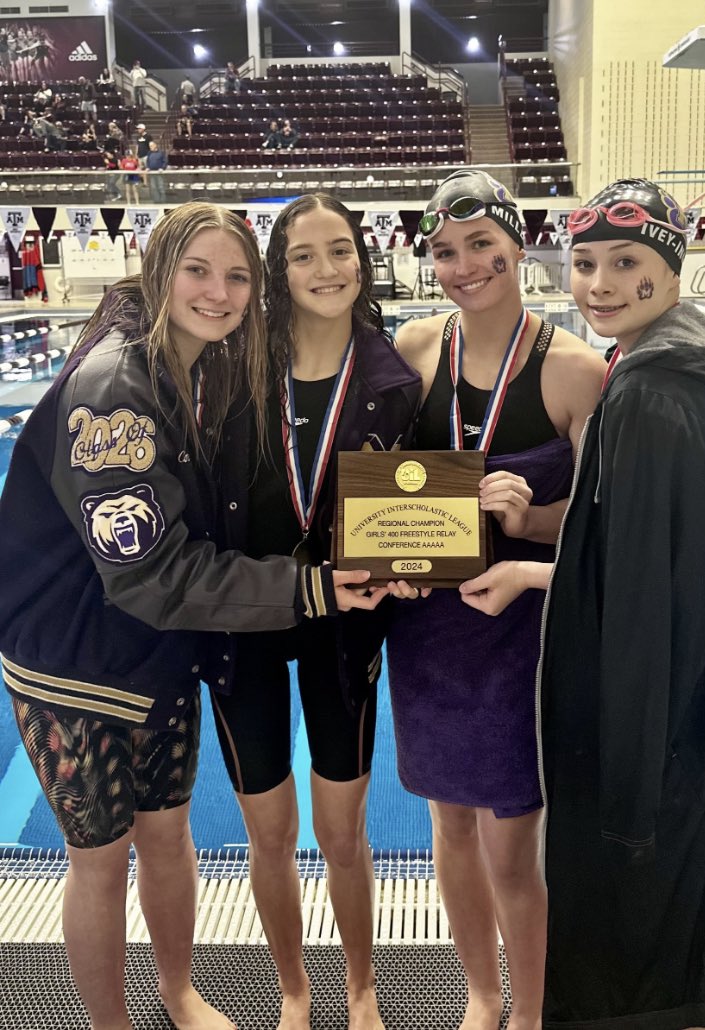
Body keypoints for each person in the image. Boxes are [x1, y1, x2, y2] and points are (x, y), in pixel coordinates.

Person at [0, 202, 385, 1030]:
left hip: (159, 651)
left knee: (169, 838)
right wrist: (312, 587)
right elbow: (156, 575)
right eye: (199, 271)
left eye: (237, 275)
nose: (219, 292)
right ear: (160, 268)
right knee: (100, 862)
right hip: (72, 660)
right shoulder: (113, 393)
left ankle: (177, 992)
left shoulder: (200, 364)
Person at [459, 178, 705, 1030]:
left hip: (654, 730)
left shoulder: (650, 395)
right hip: (695, 706)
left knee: (638, 949)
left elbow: (643, 600)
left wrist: (629, 800)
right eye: (582, 264)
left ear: (673, 272)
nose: (599, 284)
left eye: (626, 262)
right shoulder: (678, 375)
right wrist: (539, 567)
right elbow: (649, 561)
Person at [385, 169, 606, 1030]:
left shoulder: (574, 372)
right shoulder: (412, 350)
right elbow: (381, 491)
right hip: (429, 632)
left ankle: (532, 1012)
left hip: (518, 636)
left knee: (512, 851)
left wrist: (534, 514)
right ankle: (482, 995)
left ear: (519, 248)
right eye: (444, 251)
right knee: (448, 832)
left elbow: (601, 535)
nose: (463, 265)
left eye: (482, 246)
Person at [209, 193, 420, 1030]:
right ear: (279, 269)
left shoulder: (395, 382)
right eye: (303, 255)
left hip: (346, 631)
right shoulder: (231, 369)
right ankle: (295, 989)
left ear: (362, 261)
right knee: (267, 834)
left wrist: (423, 556)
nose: (325, 270)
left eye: (340, 251)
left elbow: (420, 507)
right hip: (245, 629)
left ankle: (360, 985)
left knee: (342, 832)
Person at [145, 139, 167, 203]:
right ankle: (156, 201)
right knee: (154, 187)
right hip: (152, 172)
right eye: (149, 146)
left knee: (161, 186)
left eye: (151, 146)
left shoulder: (161, 152)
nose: (150, 147)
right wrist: (148, 167)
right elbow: (148, 161)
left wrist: (162, 168)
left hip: (159, 172)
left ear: (155, 145)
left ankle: (163, 201)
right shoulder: (149, 153)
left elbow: (165, 161)